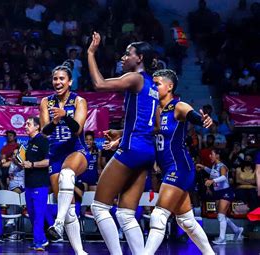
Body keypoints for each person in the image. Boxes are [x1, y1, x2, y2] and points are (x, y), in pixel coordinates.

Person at [87, 32, 158, 255]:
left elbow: (99, 84)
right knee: (126, 214)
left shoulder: (136, 78)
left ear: (140, 59)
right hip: (147, 151)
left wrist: (90, 53)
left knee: (99, 207)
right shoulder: (152, 85)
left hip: (132, 149)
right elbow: (152, 125)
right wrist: (120, 132)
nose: (123, 57)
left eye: (128, 54)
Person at [142, 69, 215, 254]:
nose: (154, 87)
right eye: (153, 83)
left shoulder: (179, 106)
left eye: (157, 84)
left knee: (158, 216)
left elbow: (194, 117)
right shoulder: (155, 110)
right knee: (186, 221)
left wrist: (203, 120)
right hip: (166, 170)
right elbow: (146, 133)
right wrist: (119, 138)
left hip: (180, 167)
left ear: (170, 86)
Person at [40, 61, 89, 255]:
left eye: (62, 79)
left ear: (70, 82)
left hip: (77, 150)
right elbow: (44, 132)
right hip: (55, 154)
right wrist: (54, 120)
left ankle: (57, 224)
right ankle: (80, 251)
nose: (57, 82)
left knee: (67, 175)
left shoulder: (79, 101)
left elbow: (77, 130)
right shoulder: (46, 102)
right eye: (55, 78)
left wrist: (65, 116)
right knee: (67, 208)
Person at [196, 149, 244, 245]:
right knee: (221, 216)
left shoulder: (222, 166)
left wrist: (212, 181)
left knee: (221, 216)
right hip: (218, 193)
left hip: (226, 192)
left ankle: (222, 239)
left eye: (211, 154)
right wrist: (203, 167)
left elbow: (223, 177)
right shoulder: (215, 166)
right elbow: (213, 172)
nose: (210, 156)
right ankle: (237, 229)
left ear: (217, 155)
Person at [21, 116, 50, 251]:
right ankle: (42, 239)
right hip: (29, 184)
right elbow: (27, 163)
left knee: (38, 214)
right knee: (32, 214)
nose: (26, 126)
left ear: (37, 126)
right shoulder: (29, 142)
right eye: (26, 124)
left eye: (28, 124)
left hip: (40, 184)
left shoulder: (43, 141)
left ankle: (38, 242)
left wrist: (32, 164)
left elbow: (48, 161)